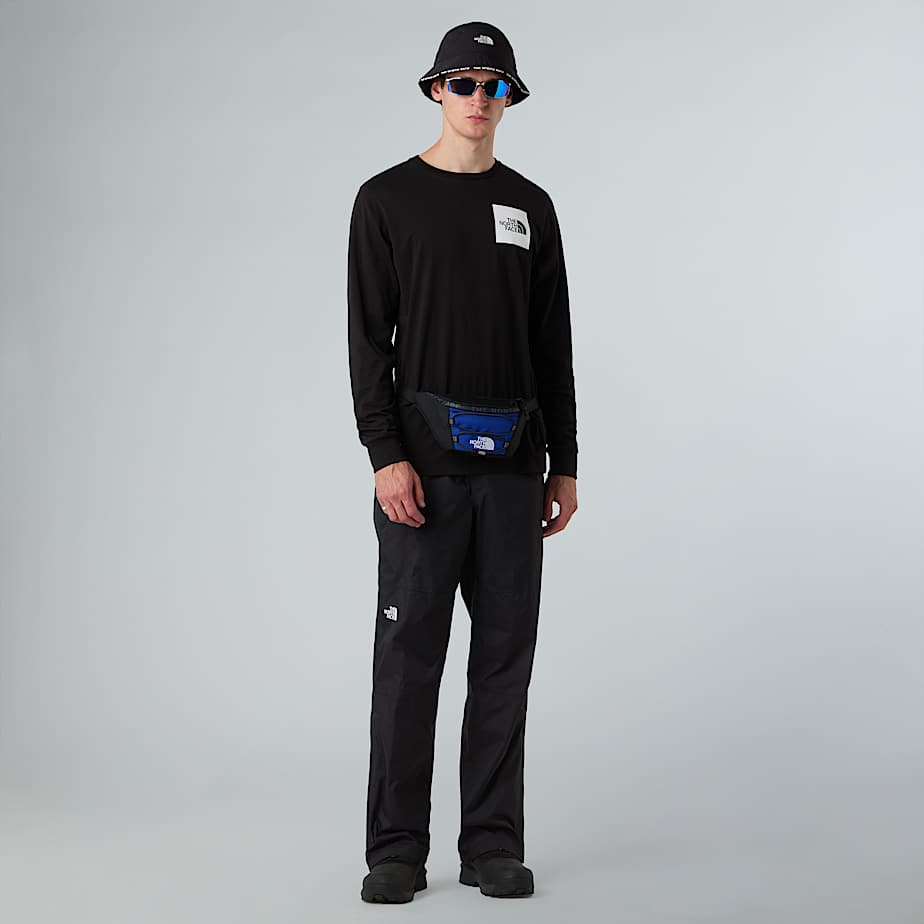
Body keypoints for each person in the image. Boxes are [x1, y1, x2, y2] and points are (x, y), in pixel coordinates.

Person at [347, 21, 578, 904]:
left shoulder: (531, 207)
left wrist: (565, 462)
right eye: (465, 83)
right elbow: (368, 342)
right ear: (435, 90)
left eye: (495, 85)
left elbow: (552, 345)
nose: (480, 99)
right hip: (423, 476)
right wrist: (385, 455)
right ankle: (396, 848)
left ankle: (491, 843)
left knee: (505, 658)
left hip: (516, 470)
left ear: (510, 98)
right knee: (409, 660)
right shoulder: (386, 201)